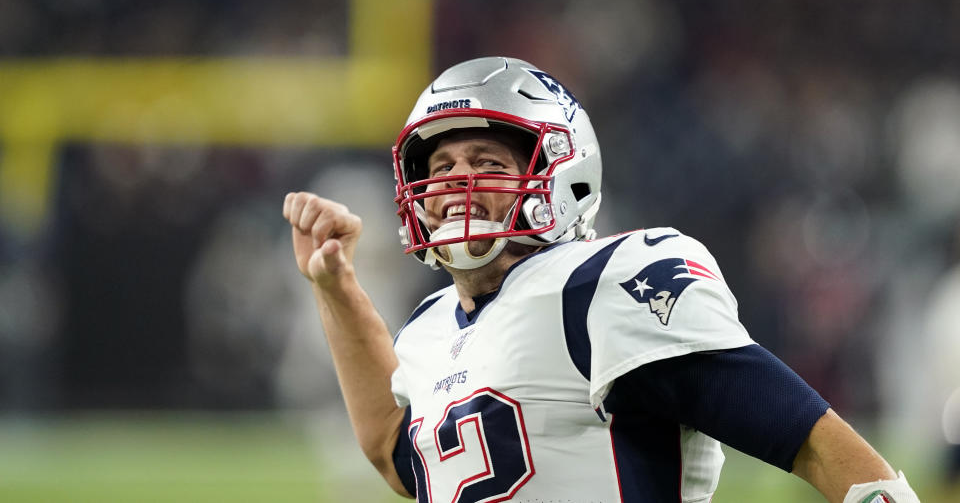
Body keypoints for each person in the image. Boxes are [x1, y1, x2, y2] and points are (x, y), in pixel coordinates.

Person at [283, 57, 920, 502]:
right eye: (441, 165)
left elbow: (804, 436)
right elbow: (397, 454)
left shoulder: (600, 286)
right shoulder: (429, 329)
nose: (456, 183)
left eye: (485, 162)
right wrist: (336, 288)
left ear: (561, 173)